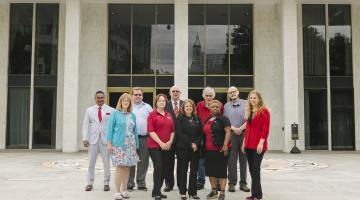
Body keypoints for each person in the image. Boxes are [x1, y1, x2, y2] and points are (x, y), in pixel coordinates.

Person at [107, 93, 139, 200]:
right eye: (123, 100)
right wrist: (109, 144)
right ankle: (117, 192)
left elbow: (135, 132)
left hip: (130, 145)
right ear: (120, 102)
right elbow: (109, 130)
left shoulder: (132, 115)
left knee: (126, 168)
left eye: (128, 101)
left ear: (130, 103)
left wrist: (136, 147)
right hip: (118, 145)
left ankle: (124, 190)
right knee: (119, 167)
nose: (125, 102)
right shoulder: (115, 114)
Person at [82, 91, 114, 192]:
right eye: (98, 98)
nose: (100, 99)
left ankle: (106, 183)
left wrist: (112, 140)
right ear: (95, 98)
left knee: (106, 163)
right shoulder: (89, 110)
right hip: (93, 139)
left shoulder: (111, 110)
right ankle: (89, 183)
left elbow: (113, 126)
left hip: (106, 140)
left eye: (102, 98)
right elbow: (86, 125)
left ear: (104, 98)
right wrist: (85, 138)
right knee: (91, 163)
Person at [241, 90, 270, 200]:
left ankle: (256, 195)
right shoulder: (249, 111)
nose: (252, 100)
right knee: (252, 170)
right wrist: (244, 142)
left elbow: (266, 129)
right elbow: (248, 128)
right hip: (248, 144)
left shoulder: (264, 111)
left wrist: (261, 143)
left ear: (259, 99)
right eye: (251, 98)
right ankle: (257, 194)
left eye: (255, 98)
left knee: (256, 168)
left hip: (258, 145)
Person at [195, 87, 224, 190]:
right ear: (204, 96)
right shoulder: (199, 105)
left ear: (213, 96)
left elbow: (222, 119)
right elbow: (195, 119)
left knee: (215, 160)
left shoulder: (219, 105)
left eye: (210, 95)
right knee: (201, 160)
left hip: (215, 137)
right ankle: (200, 181)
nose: (208, 97)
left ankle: (217, 183)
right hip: (202, 136)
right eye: (206, 95)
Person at [148, 94, 175, 200]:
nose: (162, 102)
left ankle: (156, 190)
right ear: (156, 102)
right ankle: (157, 192)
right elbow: (151, 131)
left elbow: (173, 130)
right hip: (154, 146)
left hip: (167, 146)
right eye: (159, 101)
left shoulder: (168, 114)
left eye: (163, 101)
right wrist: (161, 143)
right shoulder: (152, 115)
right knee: (158, 167)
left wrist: (170, 142)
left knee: (164, 169)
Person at [203, 100, 231, 200]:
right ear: (210, 109)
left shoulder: (224, 119)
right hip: (208, 150)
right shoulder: (208, 119)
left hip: (220, 149)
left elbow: (228, 132)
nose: (215, 108)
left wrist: (225, 145)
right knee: (211, 172)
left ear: (220, 108)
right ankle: (214, 191)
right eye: (213, 107)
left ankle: (222, 193)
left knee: (221, 171)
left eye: (217, 107)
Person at [224, 86, 250, 193]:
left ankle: (243, 184)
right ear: (229, 95)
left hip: (244, 134)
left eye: (234, 91)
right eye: (230, 92)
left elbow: (250, 118)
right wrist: (234, 129)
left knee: (244, 160)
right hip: (232, 135)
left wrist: (241, 128)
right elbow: (225, 121)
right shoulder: (226, 106)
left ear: (238, 92)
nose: (232, 93)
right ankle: (232, 184)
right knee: (232, 161)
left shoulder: (246, 103)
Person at [176, 99, 202, 200]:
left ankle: (193, 192)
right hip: (183, 148)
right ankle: (183, 192)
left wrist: (196, 143)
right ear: (183, 108)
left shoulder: (197, 119)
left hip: (195, 148)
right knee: (183, 170)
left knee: (194, 170)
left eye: (190, 106)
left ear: (193, 107)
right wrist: (190, 144)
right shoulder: (180, 118)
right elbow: (180, 133)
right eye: (186, 106)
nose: (188, 108)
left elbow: (200, 133)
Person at [127, 87, 153, 192]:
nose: (138, 96)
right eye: (135, 94)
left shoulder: (148, 107)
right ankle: (129, 184)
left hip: (144, 138)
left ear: (142, 95)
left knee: (143, 162)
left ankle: (141, 183)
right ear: (132, 95)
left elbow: (152, 121)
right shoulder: (128, 106)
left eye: (139, 94)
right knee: (131, 161)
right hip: (130, 139)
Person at [164, 85, 184, 192]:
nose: (175, 93)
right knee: (168, 163)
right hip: (169, 139)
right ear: (170, 93)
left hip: (182, 140)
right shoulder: (165, 105)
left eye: (177, 91)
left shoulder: (185, 104)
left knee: (181, 163)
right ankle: (169, 184)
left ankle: (181, 185)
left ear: (180, 93)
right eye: (173, 91)